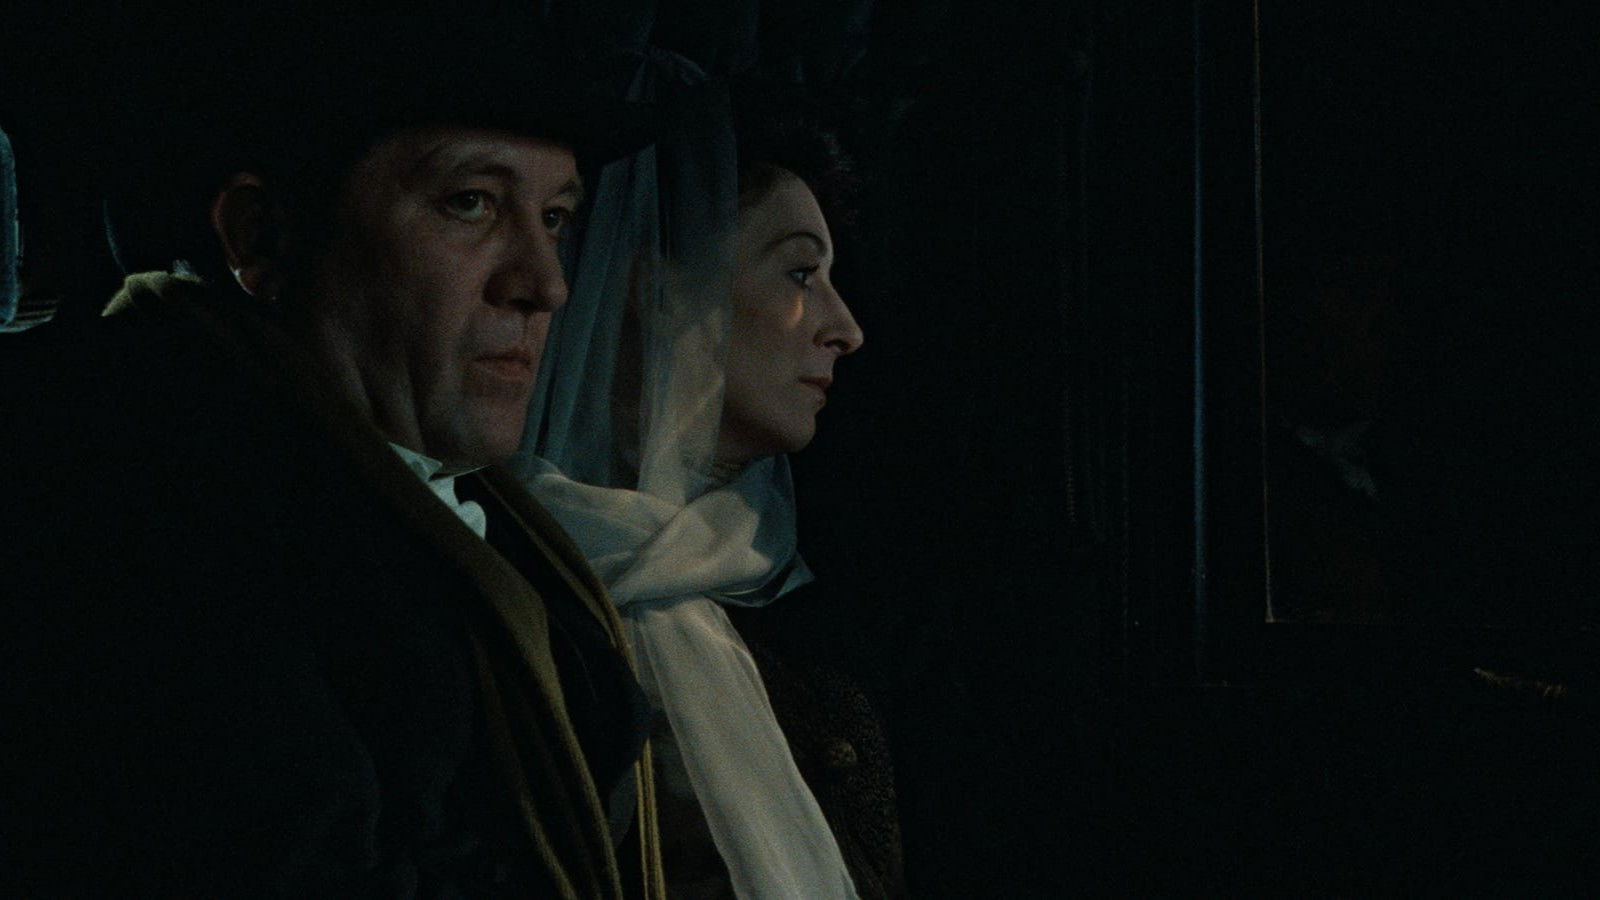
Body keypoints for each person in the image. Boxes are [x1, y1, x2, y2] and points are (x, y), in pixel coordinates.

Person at [0, 12, 665, 897]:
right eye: (470, 203)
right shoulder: (142, 507)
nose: (545, 284)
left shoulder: (416, 495)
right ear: (262, 236)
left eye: (555, 219)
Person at [517, 77, 902, 899]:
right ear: (662, 291)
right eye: (800, 273)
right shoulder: (517, 593)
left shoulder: (813, 619)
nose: (845, 328)